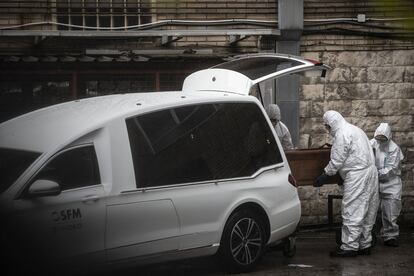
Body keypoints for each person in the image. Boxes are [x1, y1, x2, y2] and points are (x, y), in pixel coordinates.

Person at [313, 110, 379, 257]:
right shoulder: (356, 130)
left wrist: (325, 175)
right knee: (368, 209)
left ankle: (349, 246)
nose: (327, 130)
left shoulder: (342, 134)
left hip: (357, 176)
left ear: (331, 124)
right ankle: (364, 244)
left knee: (353, 209)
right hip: (371, 172)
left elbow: (337, 160)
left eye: (327, 126)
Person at [370, 123, 404, 247]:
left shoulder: (394, 148)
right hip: (374, 182)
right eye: (378, 137)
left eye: (382, 138)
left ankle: (390, 236)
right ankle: (368, 235)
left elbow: (391, 169)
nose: (380, 140)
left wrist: (373, 173)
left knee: (391, 211)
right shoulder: (371, 143)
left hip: (391, 183)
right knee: (370, 210)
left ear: (388, 137)